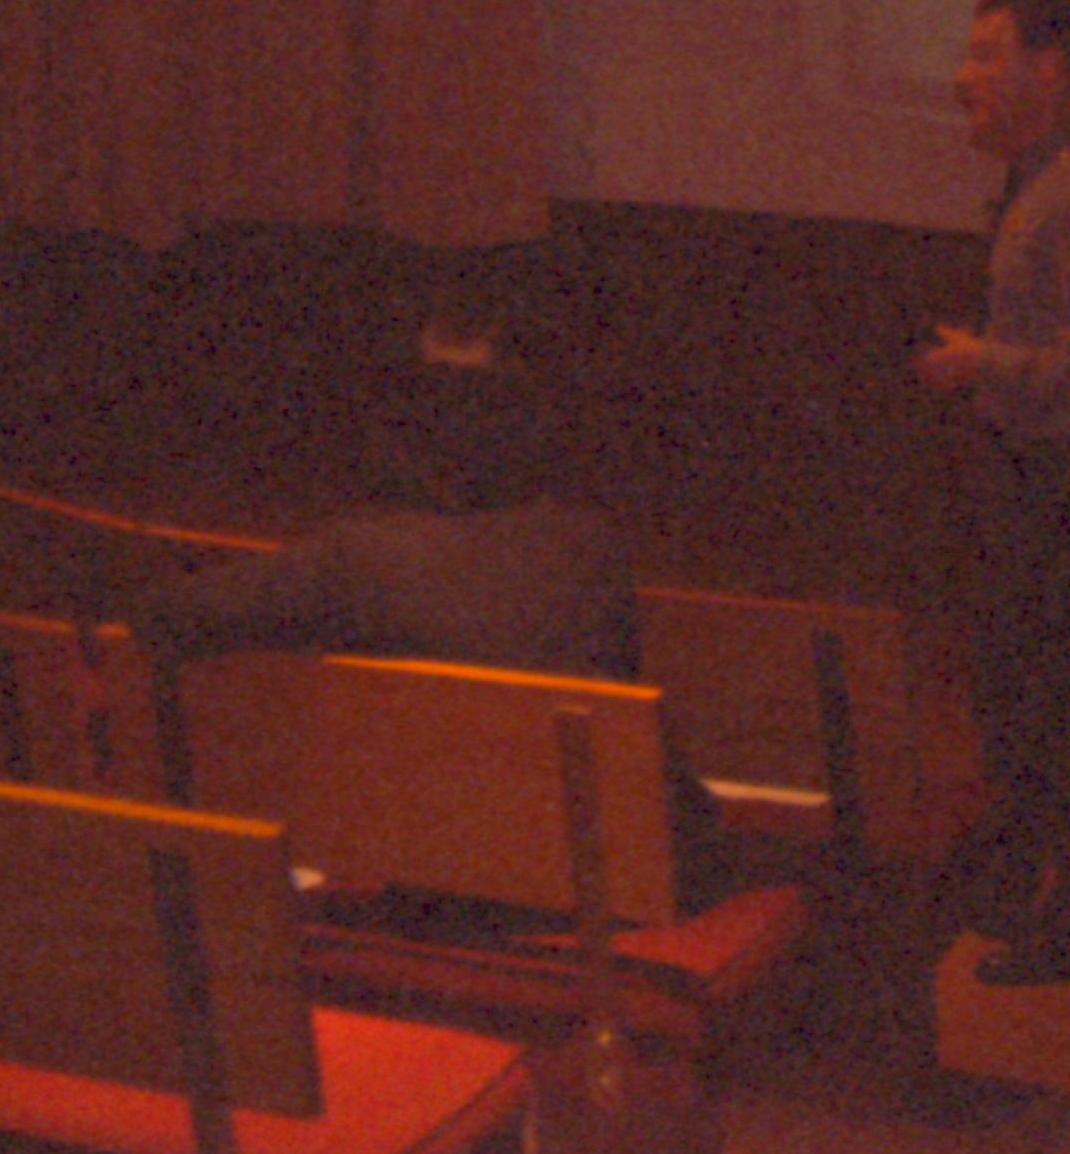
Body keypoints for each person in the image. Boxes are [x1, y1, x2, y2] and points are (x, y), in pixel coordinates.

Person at [128, 310, 727, 902]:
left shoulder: (354, 561)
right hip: (608, 891)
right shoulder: (591, 550)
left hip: (436, 896)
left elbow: (163, 619)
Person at [916, 0, 1070, 984]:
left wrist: (981, 365)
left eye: (987, 55)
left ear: (1049, 69)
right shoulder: (1037, 180)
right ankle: (1028, 877)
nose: (962, 77)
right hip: (1026, 476)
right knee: (1017, 693)